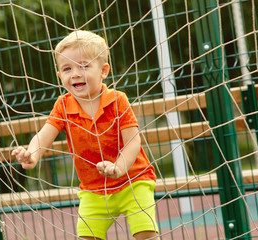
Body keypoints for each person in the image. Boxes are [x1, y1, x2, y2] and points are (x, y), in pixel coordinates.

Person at [12, 30, 158, 240]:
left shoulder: (117, 100)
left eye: (84, 66)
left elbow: (133, 142)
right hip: (93, 189)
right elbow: (43, 136)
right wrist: (32, 155)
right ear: (60, 76)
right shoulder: (63, 105)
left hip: (133, 181)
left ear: (104, 71)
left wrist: (118, 167)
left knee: (146, 234)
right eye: (67, 68)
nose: (75, 74)